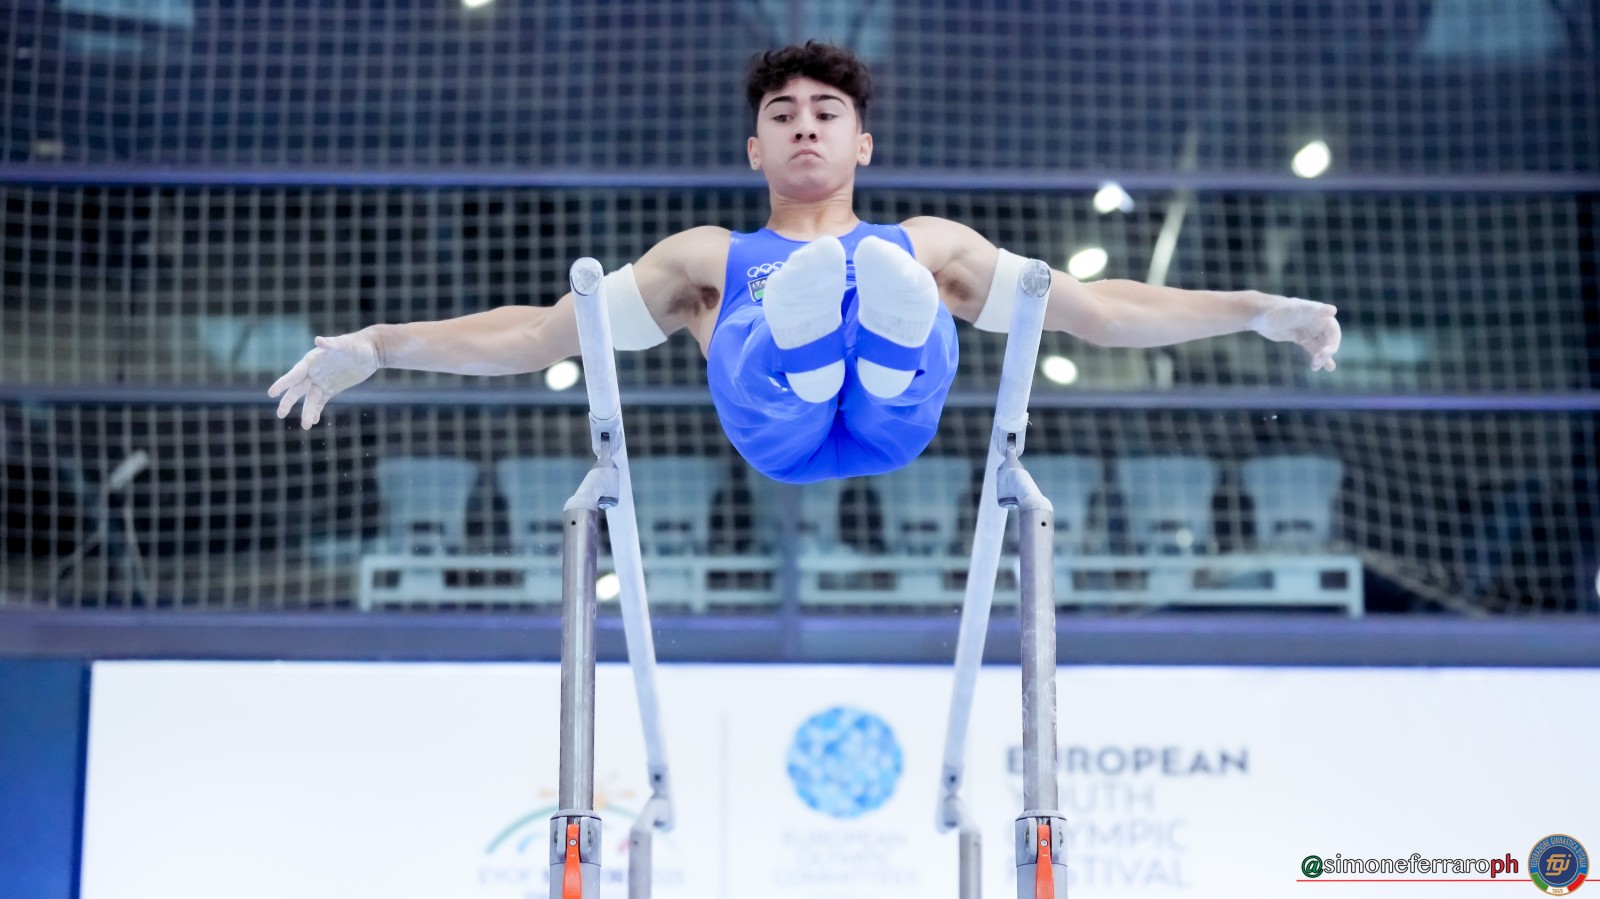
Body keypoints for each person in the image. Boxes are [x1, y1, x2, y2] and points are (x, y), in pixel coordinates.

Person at [270, 42, 1340, 485]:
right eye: (781, 115)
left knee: (910, 269)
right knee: (797, 303)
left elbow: (1096, 309)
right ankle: (820, 345)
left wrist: (1255, 308)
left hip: (896, 421)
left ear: (861, 143)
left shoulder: (927, 242)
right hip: (771, 431)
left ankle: (867, 346)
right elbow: (543, 336)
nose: (805, 126)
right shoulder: (704, 257)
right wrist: (379, 346)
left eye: (827, 112)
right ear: (755, 149)